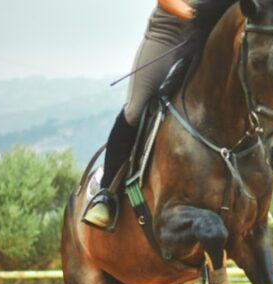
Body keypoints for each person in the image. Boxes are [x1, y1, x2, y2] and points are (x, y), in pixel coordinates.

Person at [83, 0, 196, 229]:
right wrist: (201, 15)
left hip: (209, 39)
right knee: (135, 110)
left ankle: (246, 194)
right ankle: (106, 194)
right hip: (168, 35)